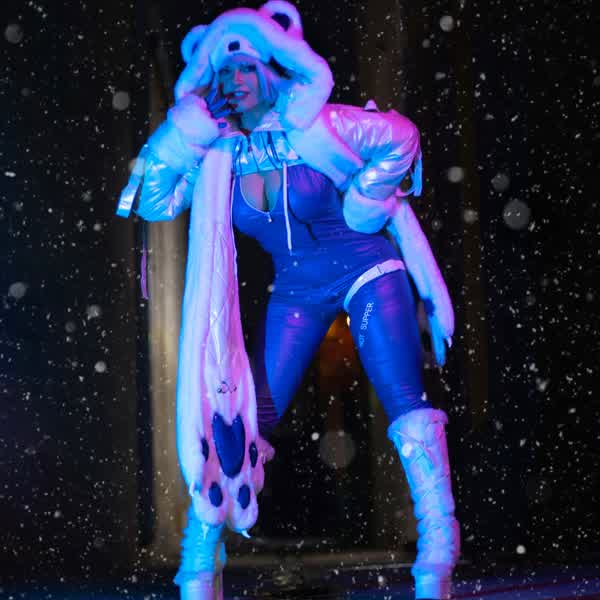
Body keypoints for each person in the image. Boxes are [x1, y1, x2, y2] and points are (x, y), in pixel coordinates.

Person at [117, 2, 460, 599]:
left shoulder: (317, 123)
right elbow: (154, 199)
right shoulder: (217, 153)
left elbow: (401, 136)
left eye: (246, 67)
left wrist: (367, 201)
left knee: (405, 401)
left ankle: (437, 550)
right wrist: (182, 131)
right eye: (224, 72)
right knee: (242, 417)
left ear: (270, 67)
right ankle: (199, 559)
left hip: (366, 268)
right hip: (297, 291)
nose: (235, 81)